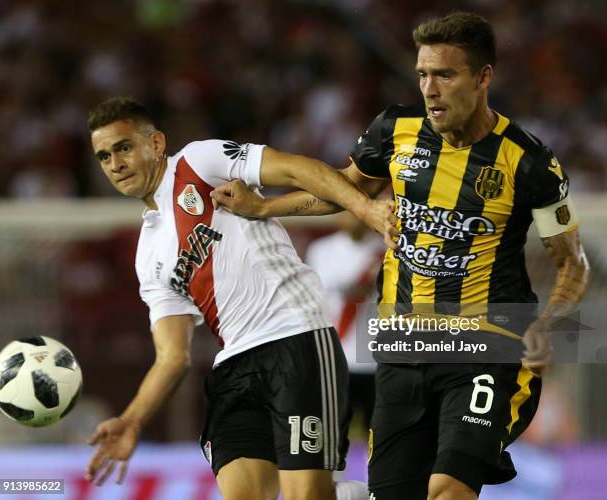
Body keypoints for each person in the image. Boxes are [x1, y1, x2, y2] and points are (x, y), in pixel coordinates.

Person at [210, 11, 591, 500]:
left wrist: (548, 324)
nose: (430, 88)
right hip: (404, 347)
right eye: (423, 75)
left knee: (448, 488)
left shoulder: (531, 161)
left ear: (483, 77)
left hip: (487, 346)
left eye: (445, 75)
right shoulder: (395, 129)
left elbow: (573, 263)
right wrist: (267, 207)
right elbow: (342, 192)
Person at [84, 97, 395, 500]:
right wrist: (131, 420)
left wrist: (367, 210)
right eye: (104, 156)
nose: (115, 163)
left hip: (296, 342)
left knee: (307, 496)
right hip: (233, 369)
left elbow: (298, 169)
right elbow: (172, 356)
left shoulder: (198, 162)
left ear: (156, 143)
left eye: (124, 147)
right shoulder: (148, 256)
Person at [305, 212, 383, 434]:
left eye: (358, 215)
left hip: (375, 359)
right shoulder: (321, 251)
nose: (354, 220)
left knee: (378, 436)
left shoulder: (385, 251)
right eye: (347, 214)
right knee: (331, 435)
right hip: (336, 358)